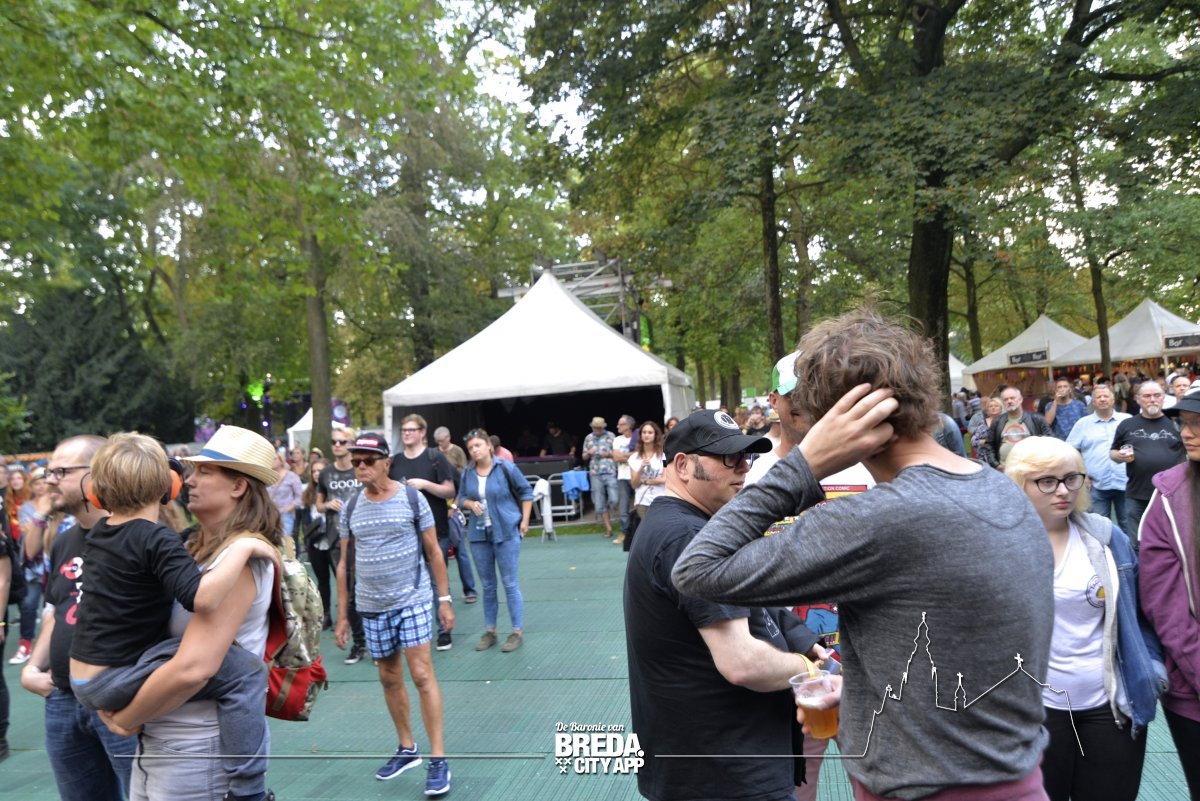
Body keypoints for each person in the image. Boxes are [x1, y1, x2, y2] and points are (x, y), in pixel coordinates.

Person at [673, 309, 1055, 800]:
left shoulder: (881, 517)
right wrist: (859, 695)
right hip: (1013, 778)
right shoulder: (1000, 490)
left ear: (840, 419)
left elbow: (699, 568)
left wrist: (804, 464)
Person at [68, 432, 278, 801]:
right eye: (187, 473)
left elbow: (193, 668)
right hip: (159, 742)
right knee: (244, 672)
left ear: (238, 486)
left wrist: (124, 718)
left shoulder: (239, 560)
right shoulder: (180, 545)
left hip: (197, 752)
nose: (189, 481)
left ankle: (249, 791)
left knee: (245, 670)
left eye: (205, 472)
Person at [624, 409, 822, 801]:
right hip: (725, 773)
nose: (744, 467)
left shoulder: (687, 525)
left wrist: (800, 638)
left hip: (717, 763)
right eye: (729, 457)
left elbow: (750, 598)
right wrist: (813, 672)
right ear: (683, 465)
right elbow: (742, 663)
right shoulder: (686, 537)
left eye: (746, 455)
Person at [743, 350, 875, 801]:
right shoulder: (753, 474)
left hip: (863, 654)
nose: (806, 404)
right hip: (792, 661)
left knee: (878, 777)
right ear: (772, 401)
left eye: (817, 394)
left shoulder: (864, 466)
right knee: (799, 781)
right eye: (794, 395)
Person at [1005, 437, 1165, 801]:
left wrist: (1153, 671)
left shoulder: (1105, 537)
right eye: (1047, 481)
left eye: (1071, 478)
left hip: (1110, 706)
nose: (1063, 491)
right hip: (1036, 710)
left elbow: (1141, 612)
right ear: (1019, 484)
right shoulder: (999, 546)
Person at [335, 433, 454, 797]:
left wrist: (444, 599)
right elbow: (344, 564)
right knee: (389, 677)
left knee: (421, 673)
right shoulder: (351, 507)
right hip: (371, 605)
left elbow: (434, 551)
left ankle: (438, 758)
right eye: (356, 461)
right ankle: (407, 748)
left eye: (368, 460)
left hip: (412, 598)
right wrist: (342, 615)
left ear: (387, 463)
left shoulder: (412, 498)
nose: (360, 467)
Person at [19, 436, 136, 797]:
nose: (50, 480)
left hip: (120, 700)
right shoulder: (65, 540)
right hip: (62, 698)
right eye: (49, 471)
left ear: (97, 474)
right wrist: (32, 668)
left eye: (61, 471)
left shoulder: (137, 537)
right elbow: (59, 609)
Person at [1139, 386, 1200, 798]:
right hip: (1193, 691)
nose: (1187, 433)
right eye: (1185, 423)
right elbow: (1165, 606)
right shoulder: (1170, 497)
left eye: (1197, 424)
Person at [389, 414, 464, 652]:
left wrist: (425, 485)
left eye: (411, 430)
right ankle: (413, 632)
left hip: (436, 530)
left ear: (422, 432)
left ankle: (444, 631)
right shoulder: (395, 461)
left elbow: (450, 490)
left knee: (437, 581)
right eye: (404, 430)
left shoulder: (435, 457)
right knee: (406, 583)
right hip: (404, 535)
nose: (406, 433)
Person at [458, 429, 533, 652]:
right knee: (488, 585)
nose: (474, 451)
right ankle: (490, 631)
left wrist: (524, 521)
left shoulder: (506, 468)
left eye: (478, 445)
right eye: (470, 448)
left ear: (489, 446)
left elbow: (526, 492)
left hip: (506, 532)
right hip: (479, 535)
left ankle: (516, 632)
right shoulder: (467, 472)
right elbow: (461, 497)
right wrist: (470, 504)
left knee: (510, 583)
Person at [1111, 380, 1185, 545]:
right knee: (1137, 543)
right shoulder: (1127, 425)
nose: (1152, 399)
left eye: (1157, 395)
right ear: (1138, 399)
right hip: (1137, 495)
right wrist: (1119, 456)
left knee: (1173, 540)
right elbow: (1113, 453)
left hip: (1170, 494)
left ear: (1163, 398)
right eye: (1147, 396)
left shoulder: (1177, 423)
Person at [318, 426, 366, 663]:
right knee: (347, 593)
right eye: (334, 442)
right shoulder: (326, 473)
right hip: (337, 539)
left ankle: (377, 642)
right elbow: (318, 504)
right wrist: (328, 505)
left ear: (351, 444)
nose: (337, 445)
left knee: (367, 591)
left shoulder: (361, 468)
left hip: (364, 538)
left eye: (342, 442)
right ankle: (359, 643)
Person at [1066, 384, 1131, 523]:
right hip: (1096, 484)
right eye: (1098, 397)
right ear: (1093, 402)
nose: (1102, 399)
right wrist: (1082, 473)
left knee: (1128, 525)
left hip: (1125, 481)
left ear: (1113, 400)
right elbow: (1070, 451)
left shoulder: (1127, 420)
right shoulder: (1083, 424)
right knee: (1099, 526)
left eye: (1106, 396)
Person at [301, 458, 333, 629]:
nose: (316, 474)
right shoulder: (307, 493)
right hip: (315, 542)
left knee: (344, 581)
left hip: (334, 541)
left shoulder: (334, 490)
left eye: (320, 470)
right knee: (322, 580)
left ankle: (350, 616)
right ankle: (326, 615)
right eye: (314, 471)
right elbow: (304, 520)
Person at [987, 384, 1052, 467]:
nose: (1009, 401)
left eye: (1012, 398)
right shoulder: (998, 421)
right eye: (1006, 399)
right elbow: (989, 445)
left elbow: (1050, 441)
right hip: (1005, 469)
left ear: (1020, 399)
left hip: (1032, 468)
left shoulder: (1036, 419)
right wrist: (996, 465)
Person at [627, 421, 666, 551]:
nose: (646, 435)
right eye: (644, 432)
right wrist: (640, 468)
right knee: (650, 531)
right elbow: (634, 484)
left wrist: (646, 481)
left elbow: (666, 478)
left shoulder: (664, 456)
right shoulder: (634, 458)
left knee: (661, 529)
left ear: (655, 435)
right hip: (642, 501)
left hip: (661, 499)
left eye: (650, 432)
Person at [582, 416, 619, 538]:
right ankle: (609, 528)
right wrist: (589, 453)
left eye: (599, 428)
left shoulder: (611, 436)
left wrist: (607, 454)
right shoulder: (588, 438)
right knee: (599, 504)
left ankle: (608, 508)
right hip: (595, 473)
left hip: (609, 471)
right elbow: (583, 456)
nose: (596, 429)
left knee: (614, 499)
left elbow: (618, 454)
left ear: (603, 427)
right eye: (594, 427)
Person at [267, 451, 303, 545]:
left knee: (284, 542)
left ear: (281, 461)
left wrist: (290, 507)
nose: (272, 461)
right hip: (269, 514)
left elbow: (300, 496)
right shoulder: (267, 476)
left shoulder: (291, 476)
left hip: (286, 514)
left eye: (274, 459)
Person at [612, 414, 637, 545]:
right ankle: (625, 533)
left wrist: (624, 455)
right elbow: (616, 457)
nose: (617, 426)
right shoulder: (617, 440)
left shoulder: (638, 437)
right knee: (623, 507)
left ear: (629, 426)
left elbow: (641, 454)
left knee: (640, 505)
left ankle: (639, 533)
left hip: (637, 476)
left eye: (620, 424)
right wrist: (632, 455)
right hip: (622, 477)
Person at [1044, 376, 1088, 440]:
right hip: (1059, 442)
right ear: (1056, 390)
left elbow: (1087, 423)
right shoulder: (1050, 405)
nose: (1062, 389)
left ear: (1070, 389)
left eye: (1065, 386)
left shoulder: (1079, 405)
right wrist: (1055, 401)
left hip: (1077, 441)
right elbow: (1048, 422)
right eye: (1059, 387)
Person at [968, 395, 1003, 467]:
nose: (993, 408)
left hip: (1002, 458)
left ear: (1001, 408)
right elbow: (973, 441)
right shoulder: (983, 424)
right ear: (988, 409)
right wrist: (983, 442)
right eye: (990, 406)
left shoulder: (1005, 422)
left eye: (996, 406)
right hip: (986, 460)